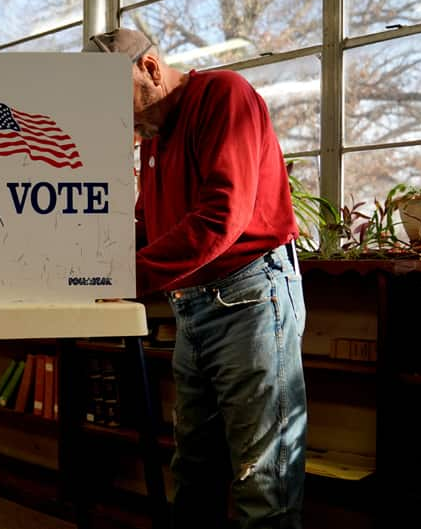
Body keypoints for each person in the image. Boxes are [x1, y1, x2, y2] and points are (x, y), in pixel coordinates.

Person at [90, 28, 308, 529]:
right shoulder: (154, 137)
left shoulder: (223, 96)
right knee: (194, 470)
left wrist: (125, 276)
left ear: (149, 67)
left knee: (262, 480)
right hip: (193, 307)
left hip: (249, 300)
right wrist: (90, 266)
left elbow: (221, 217)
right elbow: (150, 224)